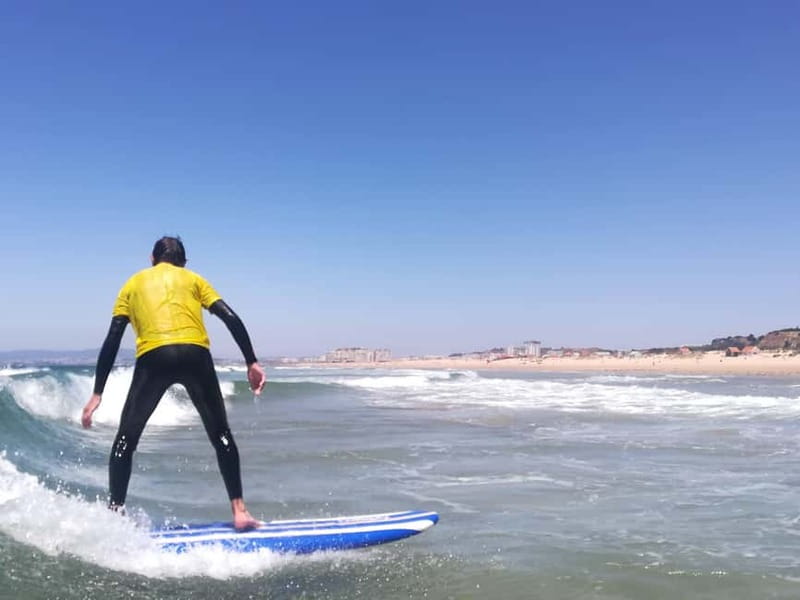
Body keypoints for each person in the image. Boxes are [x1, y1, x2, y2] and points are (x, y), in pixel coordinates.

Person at [82, 236, 266, 530]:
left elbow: (113, 337)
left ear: (151, 259)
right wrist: (251, 362)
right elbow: (230, 316)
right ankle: (240, 512)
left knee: (126, 440)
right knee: (221, 435)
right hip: (196, 355)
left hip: (154, 358)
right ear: (184, 262)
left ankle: (115, 514)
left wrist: (97, 392)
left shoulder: (132, 284)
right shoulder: (194, 279)